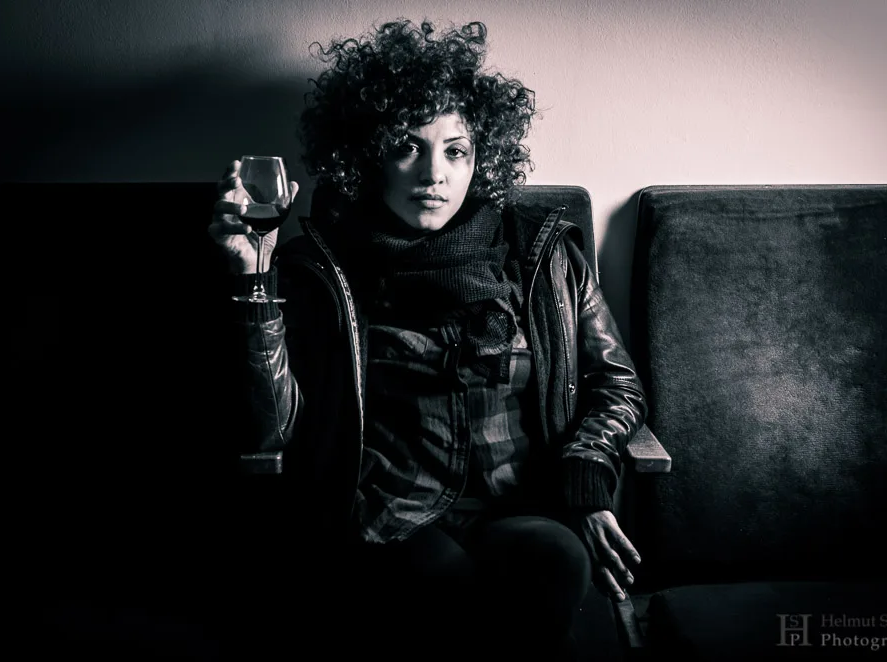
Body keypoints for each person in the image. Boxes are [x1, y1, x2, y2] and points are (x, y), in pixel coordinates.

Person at [207, 19, 647, 661]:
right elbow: (272, 431)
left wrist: (587, 473)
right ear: (367, 155)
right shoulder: (320, 266)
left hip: (519, 506)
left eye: (455, 150)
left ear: (481, 155)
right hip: (386, 516)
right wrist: (253, 279)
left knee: (554, 560)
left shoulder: (544, 251)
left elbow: (616, 381)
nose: (434, 173)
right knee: (430, 587)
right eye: (407, 147)